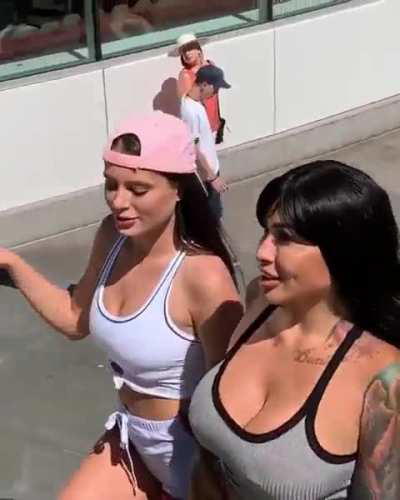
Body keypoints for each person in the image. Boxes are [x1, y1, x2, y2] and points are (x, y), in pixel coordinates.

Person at [0, 111, 243, 500]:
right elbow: (74, 318)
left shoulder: (204, 275)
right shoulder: (111, 236)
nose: (119, 201)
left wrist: (212, 478)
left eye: (138, 189)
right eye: (111, 185)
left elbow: (229, 398)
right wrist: (11, 263)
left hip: (193, 458)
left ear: (179, 189)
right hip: (133, 438)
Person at [189, 160, 400, 499]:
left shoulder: (385, 379)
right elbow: (212, 462)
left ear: (343, 249)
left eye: (284, 238)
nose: (261, 251)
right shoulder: (259, 301)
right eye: (265, 232)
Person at [180, 64, 231, 220]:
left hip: (210, 172)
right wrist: (212, 177)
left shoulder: (196, 104)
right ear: (204, 84)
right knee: (211, 218)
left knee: (215, 216)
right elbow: (193, 148)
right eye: (215, 88)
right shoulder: (190, 111)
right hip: (205, 178)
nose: (216, 92)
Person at [176, 33, 225, 143]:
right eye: (183, 51)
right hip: (199, 129)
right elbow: (187, 105)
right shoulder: (186, 75)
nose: (187, 53)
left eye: (190, 49)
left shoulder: (210, 65)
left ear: (198, 50)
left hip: (214, 124)